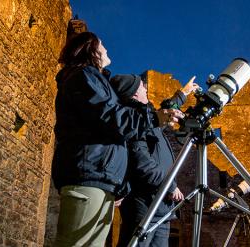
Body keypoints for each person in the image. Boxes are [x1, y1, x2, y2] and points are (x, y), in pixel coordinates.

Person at [51, 32, 182, 247]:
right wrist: (154, 117)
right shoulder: (83, 77)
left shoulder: (93, 80)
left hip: (101, 179)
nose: (106, 49)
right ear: (91, 49)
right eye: (102, 45)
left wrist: (119, 187)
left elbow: (113, 132)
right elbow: (111, 118)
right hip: (89, 175)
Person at [109, 74, 199, 247]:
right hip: (144, 208)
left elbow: (165, 110)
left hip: (160, 207)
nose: (146, 88)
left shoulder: (145, 117)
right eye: (142, 86)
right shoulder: (135, 121)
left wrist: (183, 93)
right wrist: (170, 185)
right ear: (134, 94)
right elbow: (143, 164)